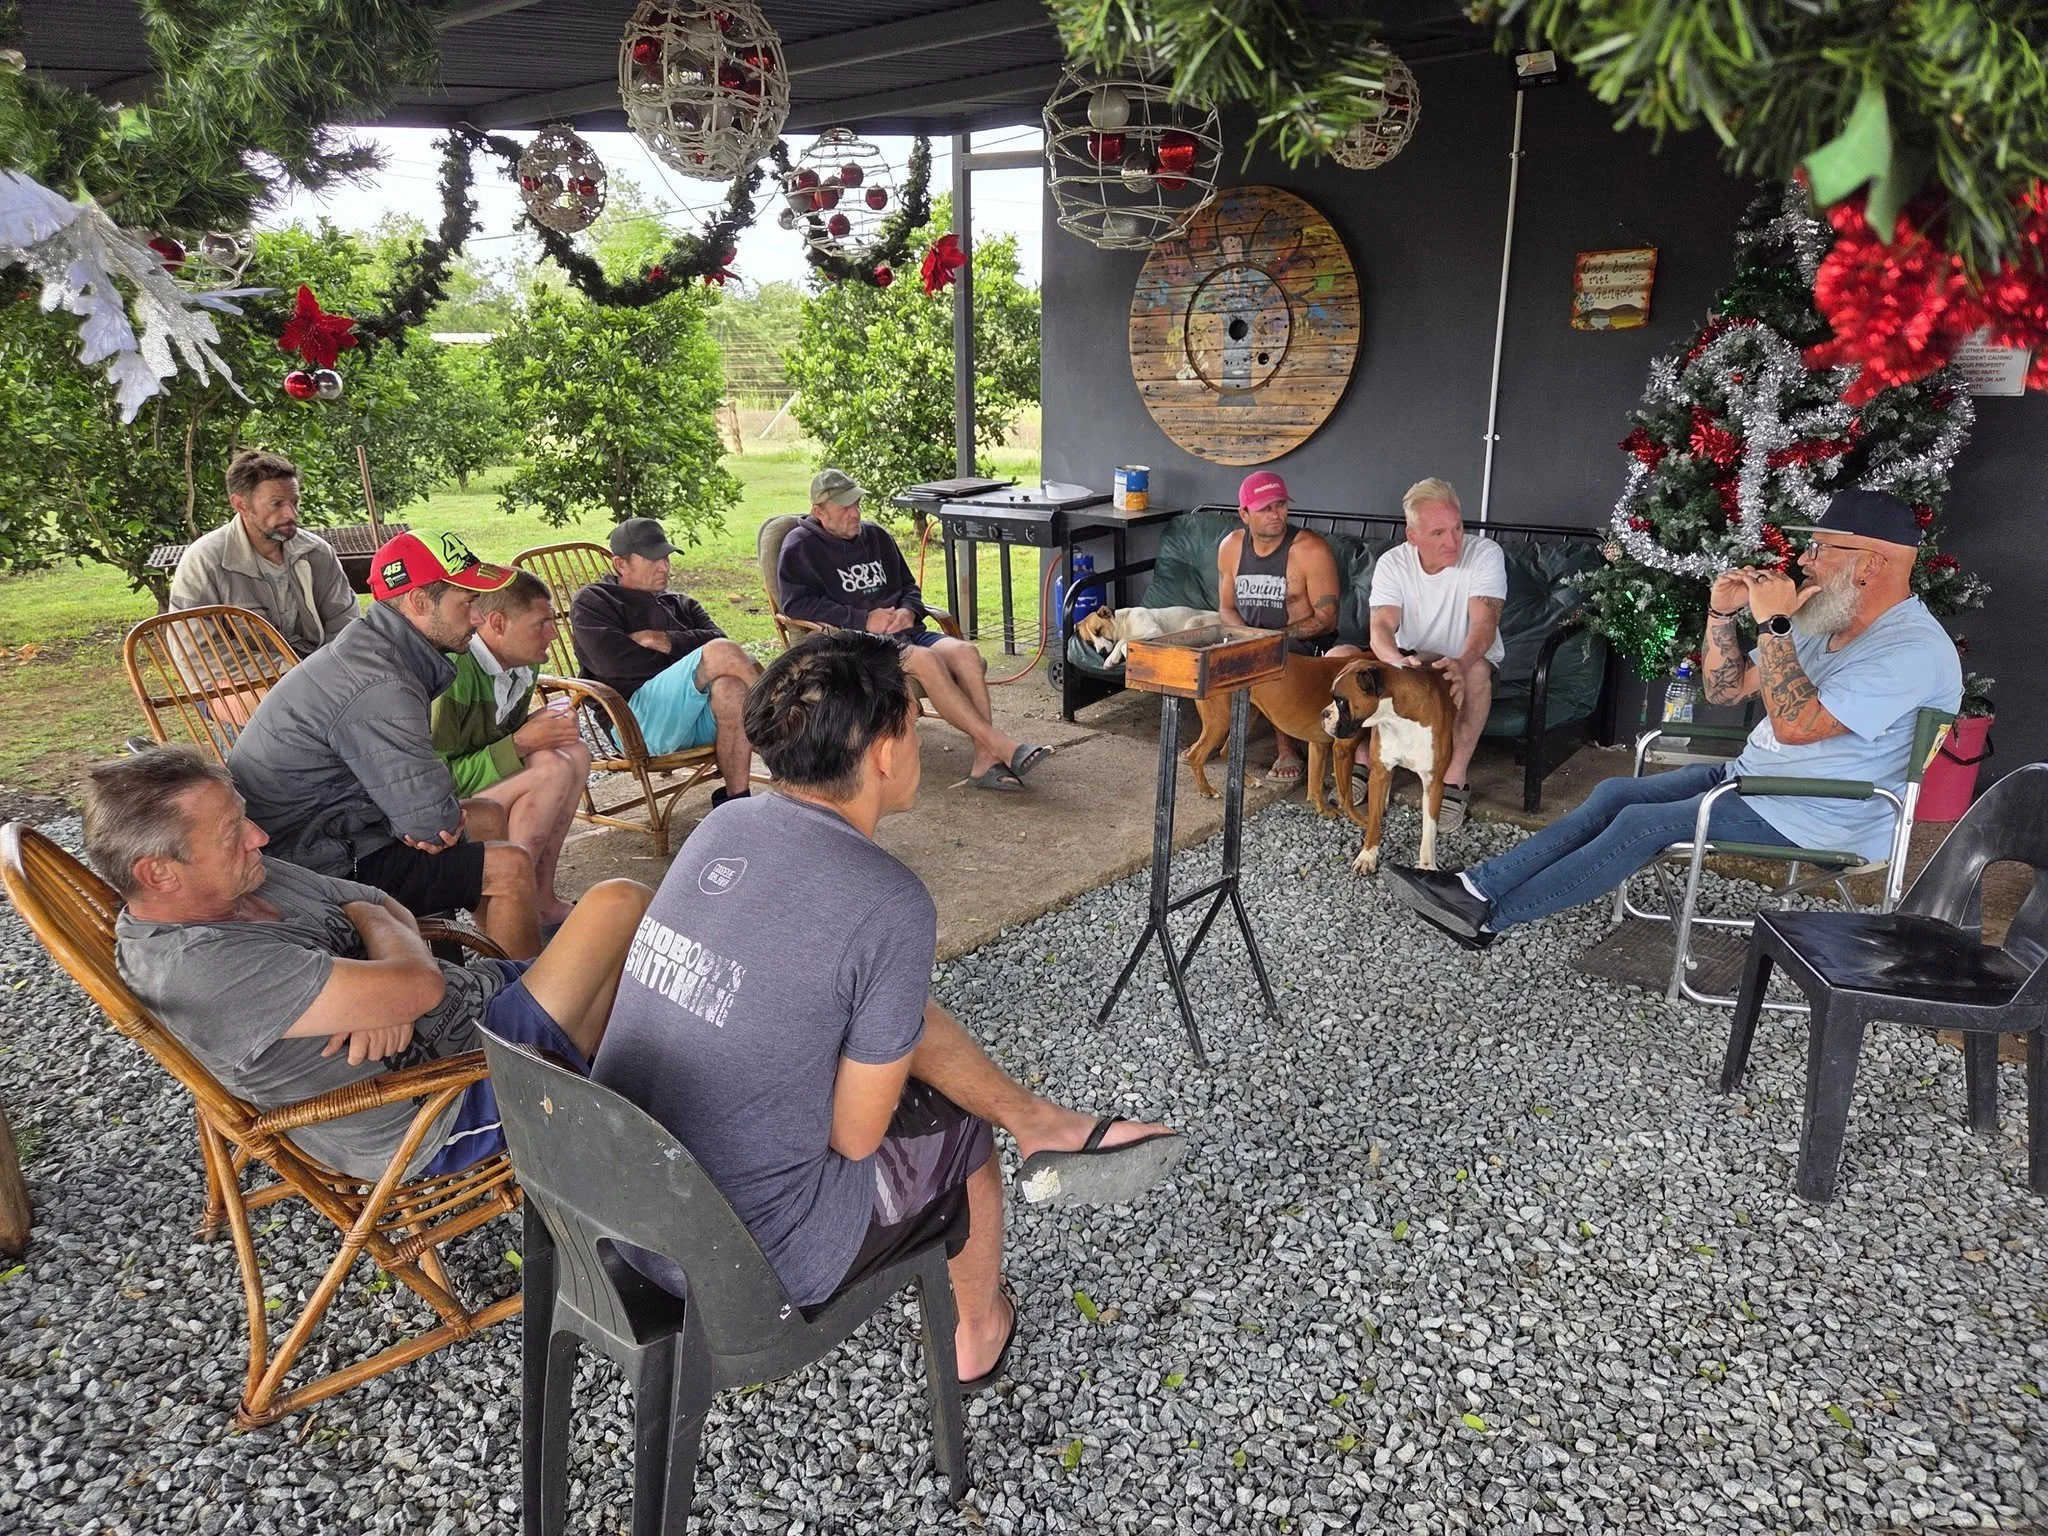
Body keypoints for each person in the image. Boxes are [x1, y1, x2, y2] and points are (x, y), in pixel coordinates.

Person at [593, 632, 1185, 1389]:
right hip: (743, 1258)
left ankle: (1040, 1120)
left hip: (622, 1197)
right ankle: (978, 1330)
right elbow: (853, 1133)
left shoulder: (727, 824)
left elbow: (844, 992)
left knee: (885, 1015)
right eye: (913, 720)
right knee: (948, 1119)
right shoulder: (888, 900)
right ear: (882, 750)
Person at [1386, 489, 1964, 949]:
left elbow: (1795, 726)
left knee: (1645, 825)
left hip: (1819, 813)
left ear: (1869, 564)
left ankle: (1489, 919)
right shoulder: (1827, 618)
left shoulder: (1911, 650)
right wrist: (1721, 613)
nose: (1804, 560)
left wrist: (1777, 625)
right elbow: (1726, 688)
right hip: (1756, 779)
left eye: (1819, 548)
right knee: (1615, 792)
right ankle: (1472, 887)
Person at [88, 746, 652, 1183]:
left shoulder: (243, 876)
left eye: (245, 819)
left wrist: (389, 977)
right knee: (619, 905)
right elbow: (416, 980)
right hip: (443, 1104)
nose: (259, 836)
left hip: (472, 1014)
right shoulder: (199, 967)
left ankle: (612, 1103)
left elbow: (379, 903)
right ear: (158, 873)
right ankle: (615, 1112)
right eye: (234, 833)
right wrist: (400, 980)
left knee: (627, 975)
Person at [228, 530, 543, 959]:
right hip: (310, 866)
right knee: (512, 869)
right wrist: (417, 822)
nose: (476, 619)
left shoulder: (376, 650)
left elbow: (423, 803)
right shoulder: (381, 684)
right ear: (417, 602)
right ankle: (525, 1012)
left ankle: (487, 968)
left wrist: (418, 819)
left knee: (486, 816)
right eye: (466, 603)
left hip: (331, 831)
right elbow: (432, 825)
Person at [778, 468, 1049, 791]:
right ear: (819, 512)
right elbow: (796, 605)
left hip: (906, 632)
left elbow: (909, 586)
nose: (855, 513)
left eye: (856, 505)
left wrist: (909, 610)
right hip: (858, 646)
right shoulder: (800, 547)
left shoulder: (875, 536)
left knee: (967, 653)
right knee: (925, 661)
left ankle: (984, 760)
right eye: (845, 508)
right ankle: (1000, 745)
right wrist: (862, 619)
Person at [431, 571, 593, 930]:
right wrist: (522, 742)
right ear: (498, 623)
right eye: (541, 624)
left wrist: (544, 725)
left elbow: (496, 739)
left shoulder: (523, 663)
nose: (552, 634)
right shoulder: (453, 675)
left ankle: (541, 899)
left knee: (574, 753)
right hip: (436, 810)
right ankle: (504, 912)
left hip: (478, 788)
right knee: (548, 769)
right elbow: (433, 779)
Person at [569, 517, 759, 806]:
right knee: (721, 653)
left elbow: (721, 639)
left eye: (667, 558)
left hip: (692, 716)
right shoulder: (594, 602)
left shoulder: (681, 603)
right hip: (636, 722)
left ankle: (736, 802)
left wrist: (665, 640)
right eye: (653, 559)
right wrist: (693, 664)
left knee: (732, 685)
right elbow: (614, 664)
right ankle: (784, 721)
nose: (664, 567)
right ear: (621, 564)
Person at [167, 449, 361, 724]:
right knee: (289, 715)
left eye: (295, 502)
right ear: (241, 505)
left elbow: (345, 624)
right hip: (232, 682)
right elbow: (198, 652)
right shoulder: (205, 560)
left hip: (315, 673)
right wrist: (290, 671)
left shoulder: (317, 553)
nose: (290, 513)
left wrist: (323, 671)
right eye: (276, 504)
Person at [1365, 478, 1507, 831]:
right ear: (1413, 537)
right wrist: (1396, 660)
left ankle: (1454, 778)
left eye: (1458, 528)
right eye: (1438, 533)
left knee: (1477, 673)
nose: (1452, 541)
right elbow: (1381, 626)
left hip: (1464, 656)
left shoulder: (1485, 554)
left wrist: (1461, 661)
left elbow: (1485, 623)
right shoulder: (1392, 563)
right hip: (1410, 658)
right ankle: (1363, 761)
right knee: (1345, 660)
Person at [1216, 469, 1361, 783]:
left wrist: (1270, 641)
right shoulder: (1230, 547)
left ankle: (1287, 749)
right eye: (1265, 508)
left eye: (1280, 505)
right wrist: (1247, 638)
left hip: (1305, 643)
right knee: (1205, 658)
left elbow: (1326, 619)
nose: (1275, 514)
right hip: (1249, 636)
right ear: (1244, 513)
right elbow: (1226, 609)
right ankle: (1213, 738)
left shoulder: (1310, 550)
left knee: (1276, 658)